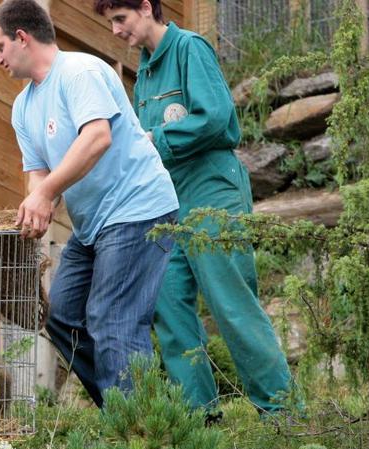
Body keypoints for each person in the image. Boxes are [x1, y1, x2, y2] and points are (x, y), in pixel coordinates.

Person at [94, 0, 294, 416]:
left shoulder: (189, 48)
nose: (115, 30)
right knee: (168, 308)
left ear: (146, 7)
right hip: (167, 200)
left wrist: (157, 139)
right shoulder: (145, 73)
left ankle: (283, 413)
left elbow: (216, 117)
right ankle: (199, 419)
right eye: (111, 22)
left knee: (230, 303)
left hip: (212, 189)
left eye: (120, 19)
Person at [0, 0, 179, 406]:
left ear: (22, 37)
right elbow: (37, 171)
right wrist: (37, 203)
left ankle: (139, 428)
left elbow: (97, 138)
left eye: (0, 47)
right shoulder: (23, 106)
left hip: (137, 209)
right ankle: (128, 408)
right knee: (63, 317)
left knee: (114, 321)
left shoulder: (80, 71)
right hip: (92, 226)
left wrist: (45, 193)